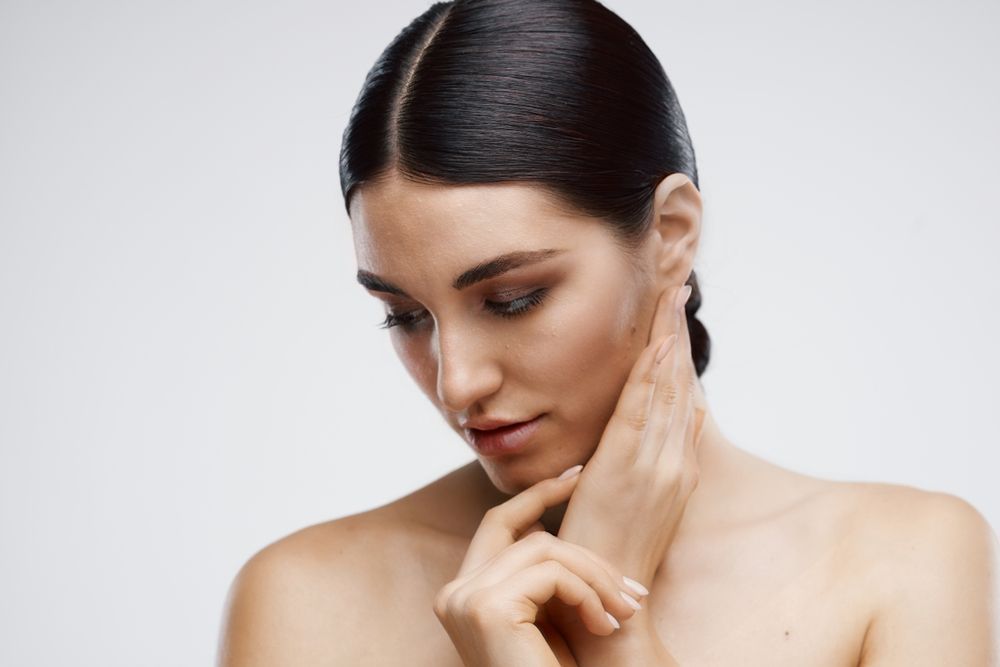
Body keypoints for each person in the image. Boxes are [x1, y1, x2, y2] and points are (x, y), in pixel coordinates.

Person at [217, 1, 999, 664]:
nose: (457, 383)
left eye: (513, 297)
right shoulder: (304, 601)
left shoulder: (902, 563)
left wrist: (608, 624)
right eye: (404, 314)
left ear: (670, 234)